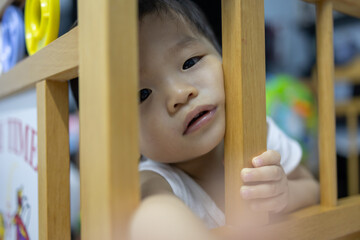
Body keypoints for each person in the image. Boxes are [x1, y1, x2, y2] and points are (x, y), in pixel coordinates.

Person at [130, 0, 320, 239]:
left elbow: (312, 188)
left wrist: (284, 195)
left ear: (222, 55)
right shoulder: (157, 182)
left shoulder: (259, 131)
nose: (179, 94)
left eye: (190, 62)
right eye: (143, 94)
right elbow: (152, 213)